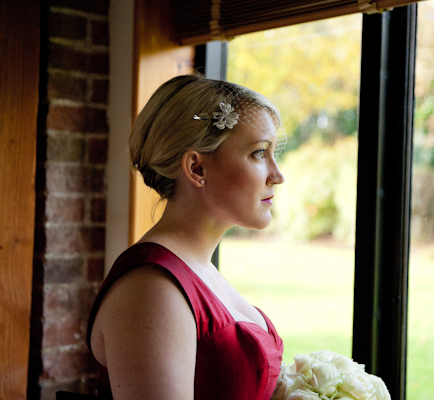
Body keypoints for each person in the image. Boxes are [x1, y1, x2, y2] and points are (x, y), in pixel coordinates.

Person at [86, 74, 286, 399]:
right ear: (197, 168)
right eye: (259, 153)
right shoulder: (151, 290)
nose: (277, 176)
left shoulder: (197, 271)